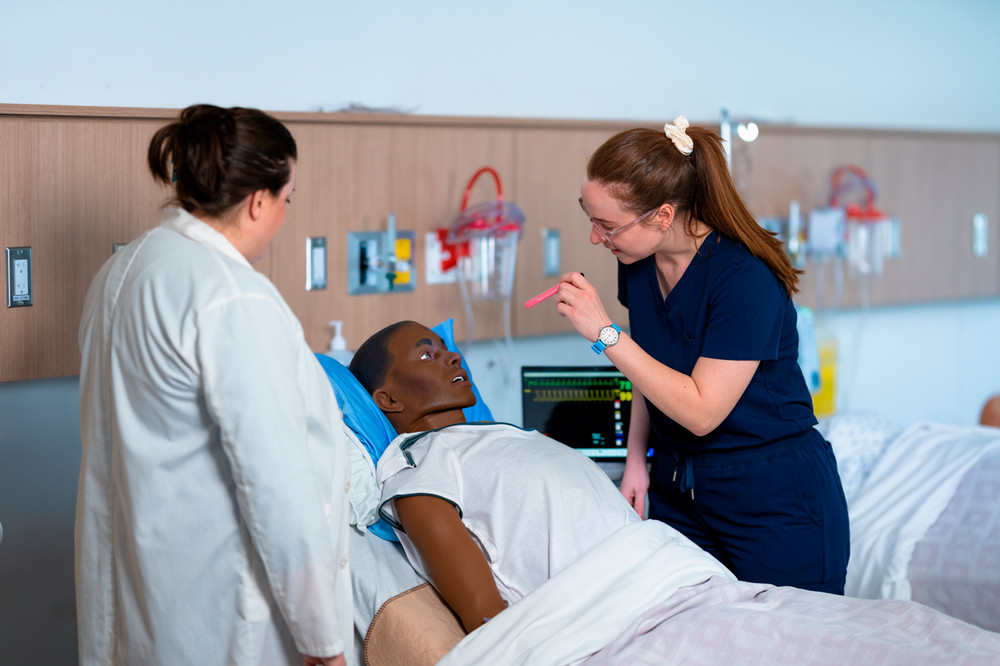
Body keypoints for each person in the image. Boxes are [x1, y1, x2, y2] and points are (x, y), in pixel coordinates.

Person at [77, 104, 352, 666]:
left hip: (139, 605)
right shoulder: (232, 297)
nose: (283, 215)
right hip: (220, 618)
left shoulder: (120, 273)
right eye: (286, 199)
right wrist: (324, 642)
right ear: (258, 202)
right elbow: (277, 486)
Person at [549, 116, 850, 594]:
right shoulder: (639, 264)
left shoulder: (744, 279)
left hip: (773, 496)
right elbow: (651, 374)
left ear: (663, 216)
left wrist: (605, 333)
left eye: (606, 225)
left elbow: (702, 410)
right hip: (678, 488)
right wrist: (635, 461)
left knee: (783, 644)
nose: (594, 238)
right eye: (590, 218)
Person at [348, 321, 727, 633]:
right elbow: (485, 616)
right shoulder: (419, 466)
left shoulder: (498, 436)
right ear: (388, 401)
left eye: (446, 348)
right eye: (428, 354)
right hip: (620, 616)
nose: (453, 356)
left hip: (678, 577)